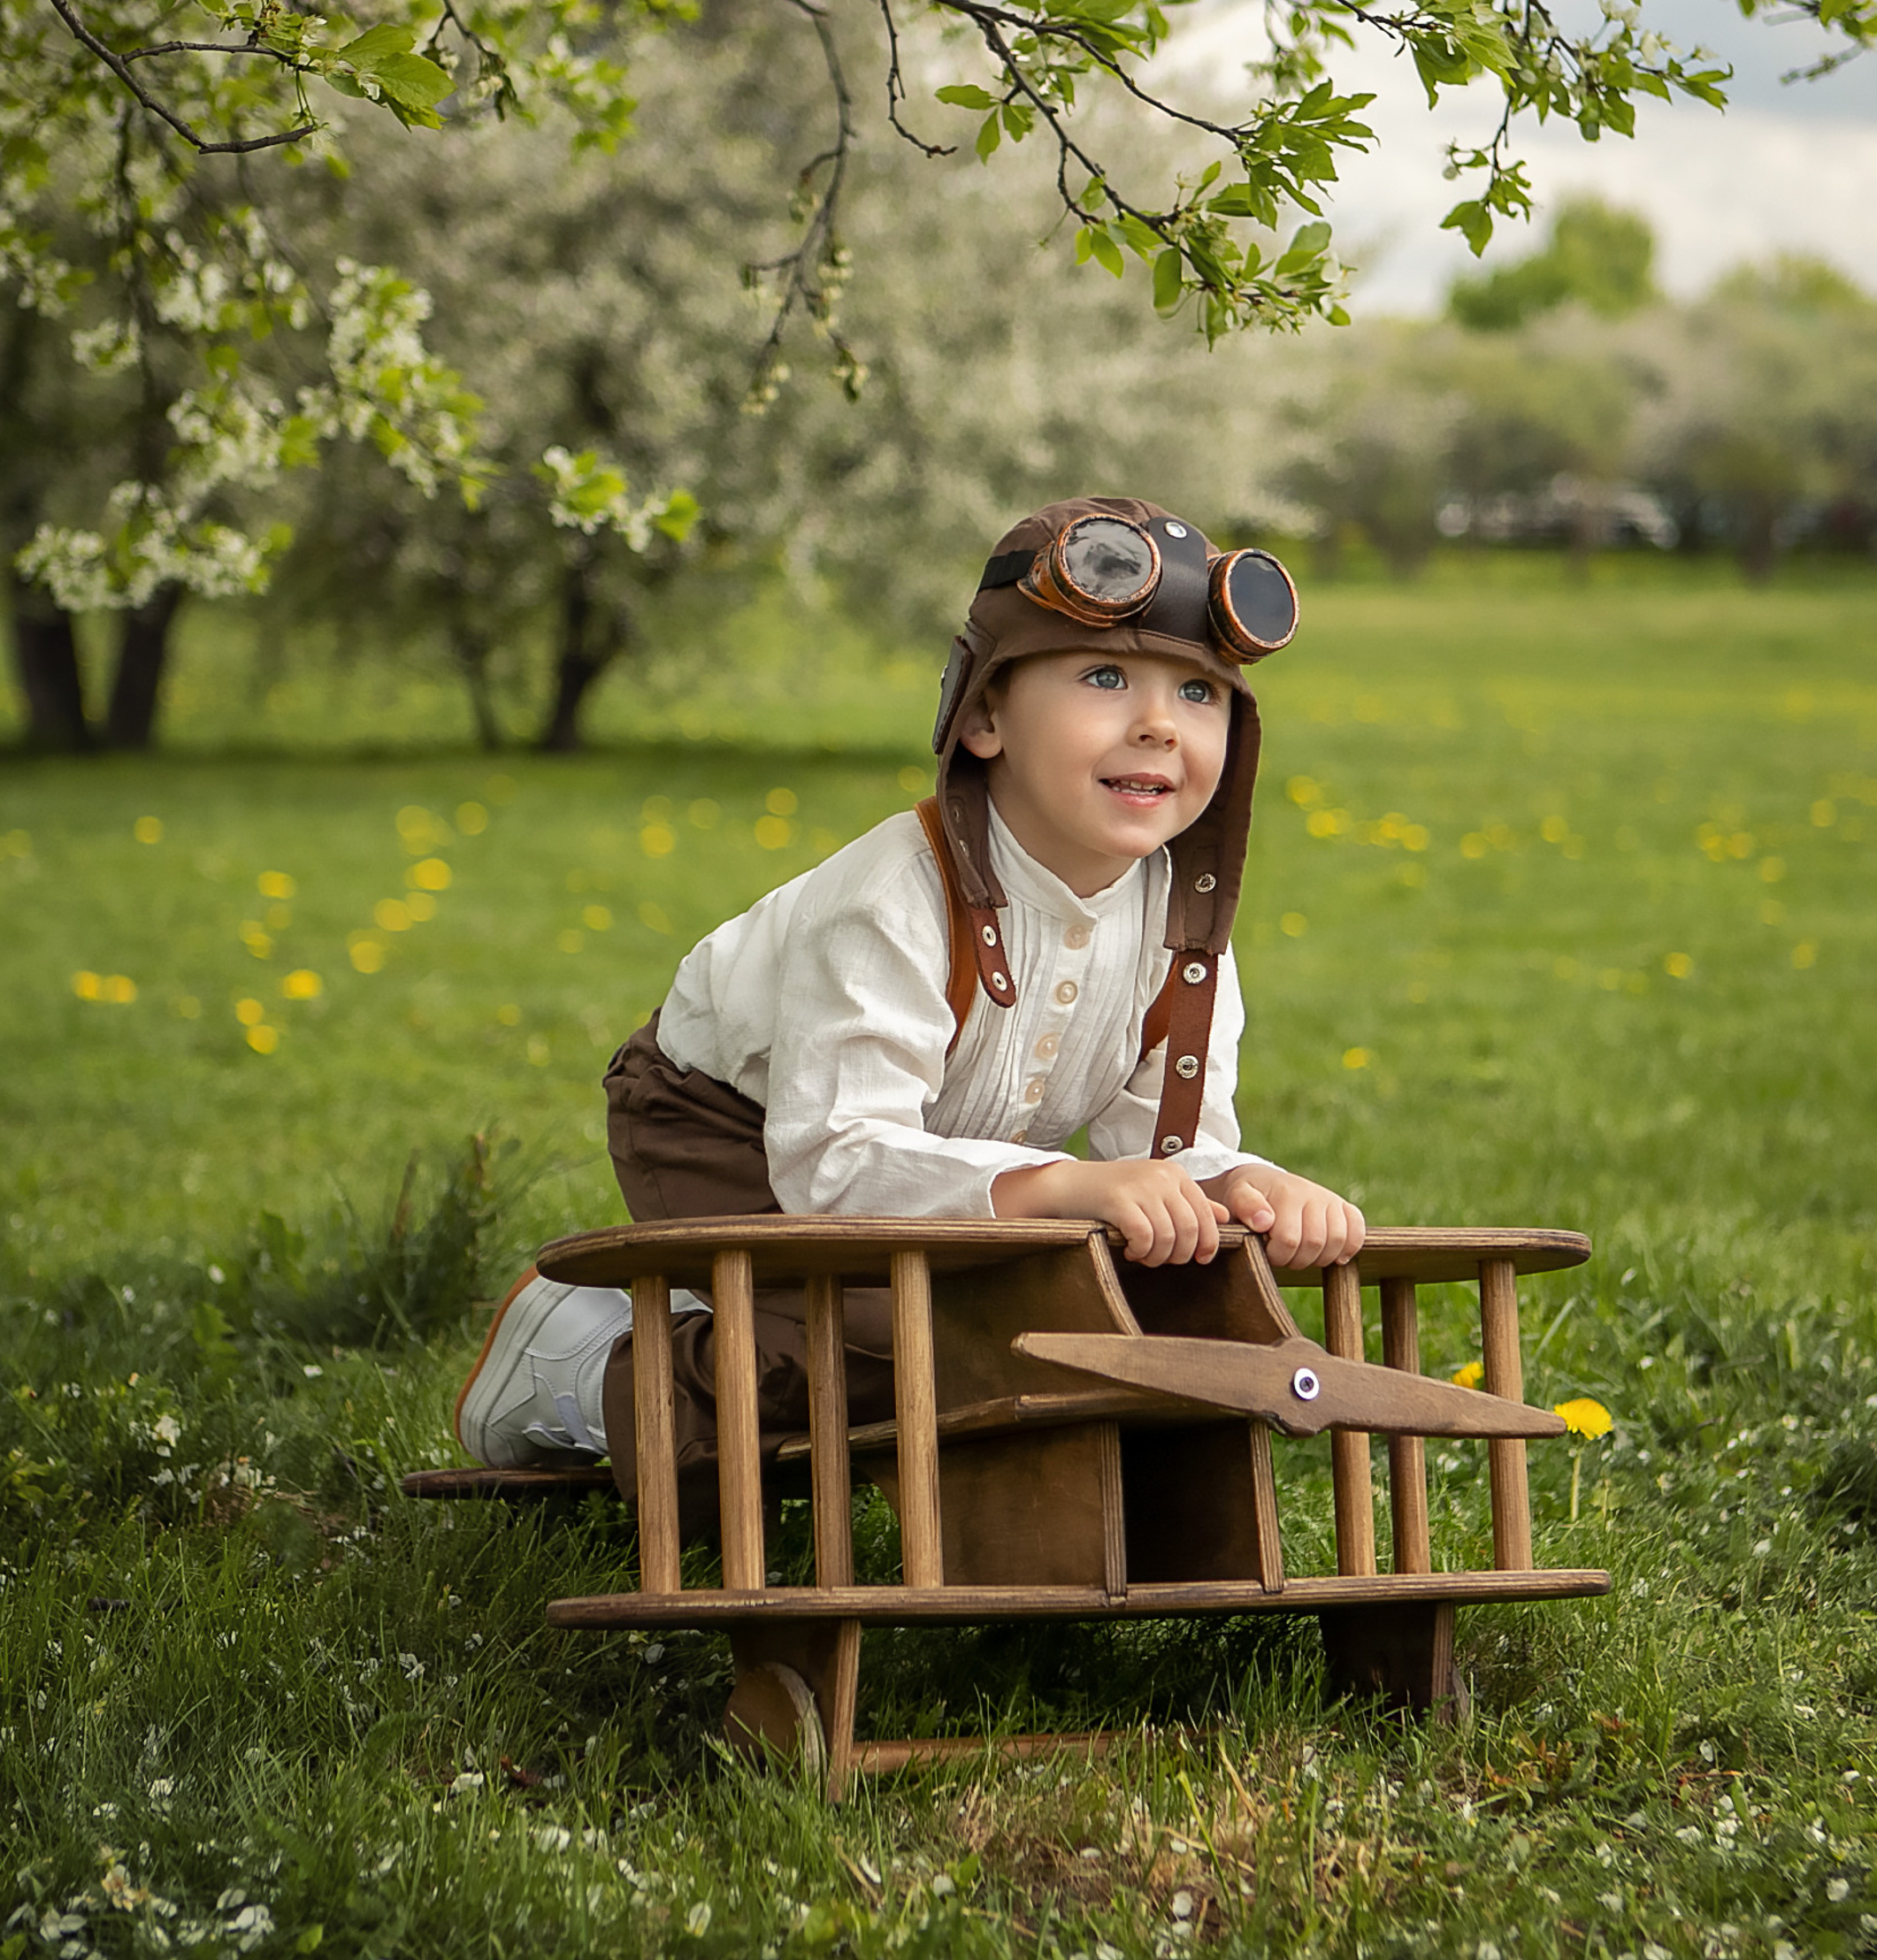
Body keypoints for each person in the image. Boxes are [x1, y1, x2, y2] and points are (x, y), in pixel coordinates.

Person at [452, 497, 1364, 1500]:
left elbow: (1162, 1152)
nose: (1156, 722)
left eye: (1198, 693)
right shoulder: (894, 894)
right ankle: (574, 1361)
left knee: (1055, 1340)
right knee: (849, 1374)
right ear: (980, 717)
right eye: (1104, 678)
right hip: (735, 1129)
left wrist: (1242, 1181)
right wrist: (1062, 1185)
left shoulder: (1183, 929)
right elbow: (833, 1163)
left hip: (942, 1151)